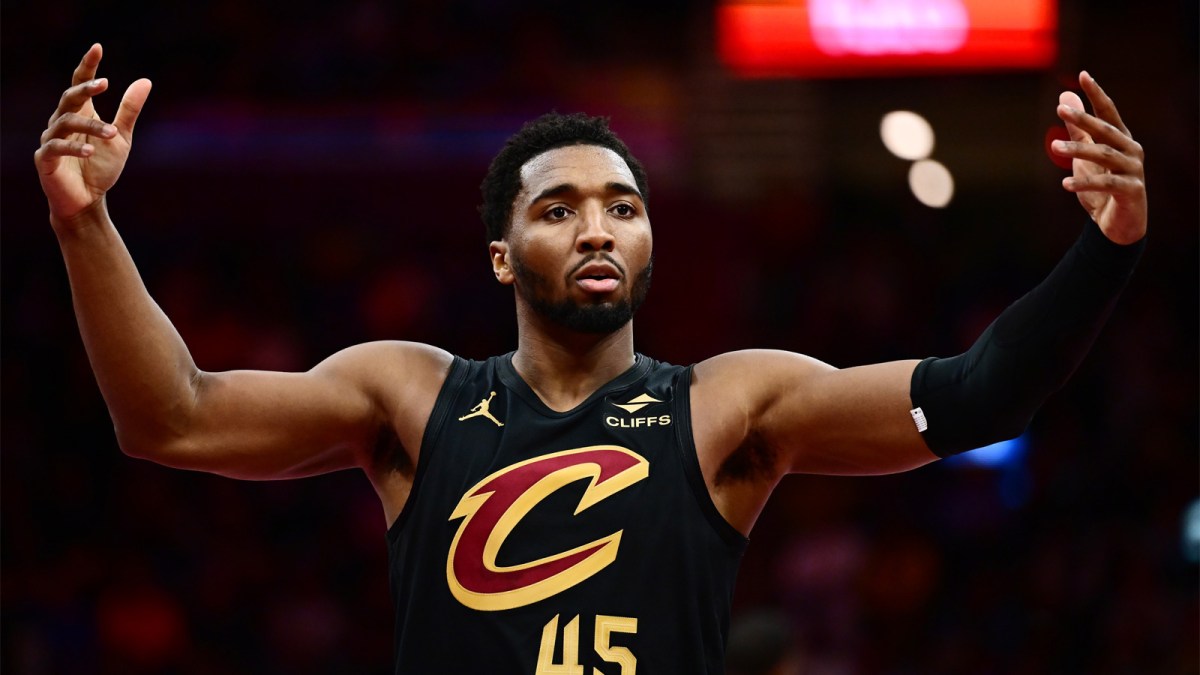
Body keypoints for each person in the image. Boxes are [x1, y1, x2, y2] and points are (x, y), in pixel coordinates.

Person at [36, 43, 1146, 674]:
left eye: (623, 205)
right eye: (559, 209)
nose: (599, 228)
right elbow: (169, 418)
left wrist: (1107, 249)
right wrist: (85, 224)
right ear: (503, 257)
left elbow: (979, 394)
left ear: (653, 239)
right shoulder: (413, 394)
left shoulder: (726, 406)